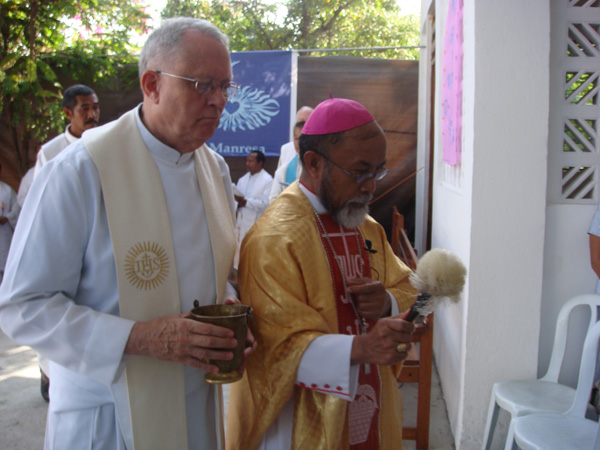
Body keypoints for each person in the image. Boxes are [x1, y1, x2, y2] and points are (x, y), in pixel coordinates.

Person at [0, 17, 255, 450]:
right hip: (107, 415)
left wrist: (225, 311)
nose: (218, 102)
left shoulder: (213, 169)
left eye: (225, 87)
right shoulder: (79, 170)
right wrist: (137, 338)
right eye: (202, 85)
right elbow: (22, 306)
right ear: (152, 84)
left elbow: (194, 271)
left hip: (195, 404)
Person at [227, 98, 417, 449]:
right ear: (313, 162)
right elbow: (275, 348)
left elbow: (406, 283)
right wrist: (362, 347)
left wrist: (387, 302)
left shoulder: (367, 227)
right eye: (360, 171)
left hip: (370, 398)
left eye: (377, 172)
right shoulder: (274, 237)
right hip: (300, 419)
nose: (370, 187)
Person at [34, 84, 100, 176]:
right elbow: (42, 189)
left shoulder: (106, 143)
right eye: (85, 109)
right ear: (68, 113)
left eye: (95, 108)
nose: (92, 115)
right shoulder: (49, 153)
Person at [233, 150, 273, 265]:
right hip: (241, 221)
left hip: (256, 221)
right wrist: (237, 201)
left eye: (251, 161)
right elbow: (237, 200)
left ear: (260, 163)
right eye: (246, 161)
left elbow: (266, 204)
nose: (247, 163)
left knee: (253, 254)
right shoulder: (243, 179)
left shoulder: (268, 180)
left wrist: (246, 202)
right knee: (239, 254)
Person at [269, 120, 304, 203]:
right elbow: (273, 200)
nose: (299, 143)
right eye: (296, 139)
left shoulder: (320, 167)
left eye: (302, 138)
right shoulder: (283, 171)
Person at [0, 163, 19, 283]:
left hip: (4, 235)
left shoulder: (7, 190)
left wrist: (7, 217)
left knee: (5, 265)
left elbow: (17, 208)